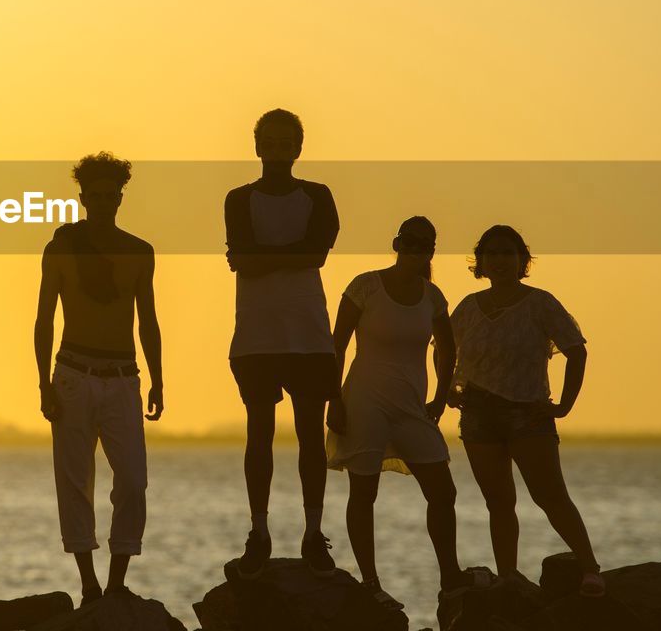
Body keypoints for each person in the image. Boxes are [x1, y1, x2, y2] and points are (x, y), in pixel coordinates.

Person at [326, 217, 484, 610]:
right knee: (364, 491)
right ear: (396, 244)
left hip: (411, 406)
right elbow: (337, 345)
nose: (415, 250)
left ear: (431, 250)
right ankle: (370, 582)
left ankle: (451, 576)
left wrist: (441, 394)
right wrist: (334, 400)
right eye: (408, 242)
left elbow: (446, 350)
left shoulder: (433, 297)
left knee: (443, 490)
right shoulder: (365, 286)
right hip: (364, 400)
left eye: (424, 245)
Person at [35, 152, 164, 605]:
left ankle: (116, 581)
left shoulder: (139, 251)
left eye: (113, 195)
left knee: (132, 480)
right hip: (72, 373)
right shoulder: (61, 248)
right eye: (97, 195)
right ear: (84, 197)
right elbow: (43, 319)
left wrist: (159, 379)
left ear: (120, 198)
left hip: (123, 375)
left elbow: (147, 319)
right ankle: (89, 584)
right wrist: (42, 382)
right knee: (74, 481)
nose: (105, 202)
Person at [449, 225, 604, 597]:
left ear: (522, 260)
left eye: (508, 253)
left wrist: (563, 406)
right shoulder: (468, 307)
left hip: (528, 413)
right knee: (499, 502)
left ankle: (590, 570)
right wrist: (447, 392)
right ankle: (507, 576)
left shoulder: (540, 303)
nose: (500, 260)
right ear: (480, 261)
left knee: (550, 495)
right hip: (478, 414)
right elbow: (445, 353)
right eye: (492, 253)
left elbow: (576, 350)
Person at [225, 108, 340, 578]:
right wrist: (291, 256)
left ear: (298, 148)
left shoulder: (318, 195)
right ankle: (260, 533)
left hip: (309, 333)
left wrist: (259, 257)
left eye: (284, 143)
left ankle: (313, 534)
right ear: (257, 147)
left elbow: (316, 253)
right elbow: (248, 259)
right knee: (260, 435)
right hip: (255, 335)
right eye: (267, 143)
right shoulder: (238, 198)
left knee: (311, 436)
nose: (275, 151)